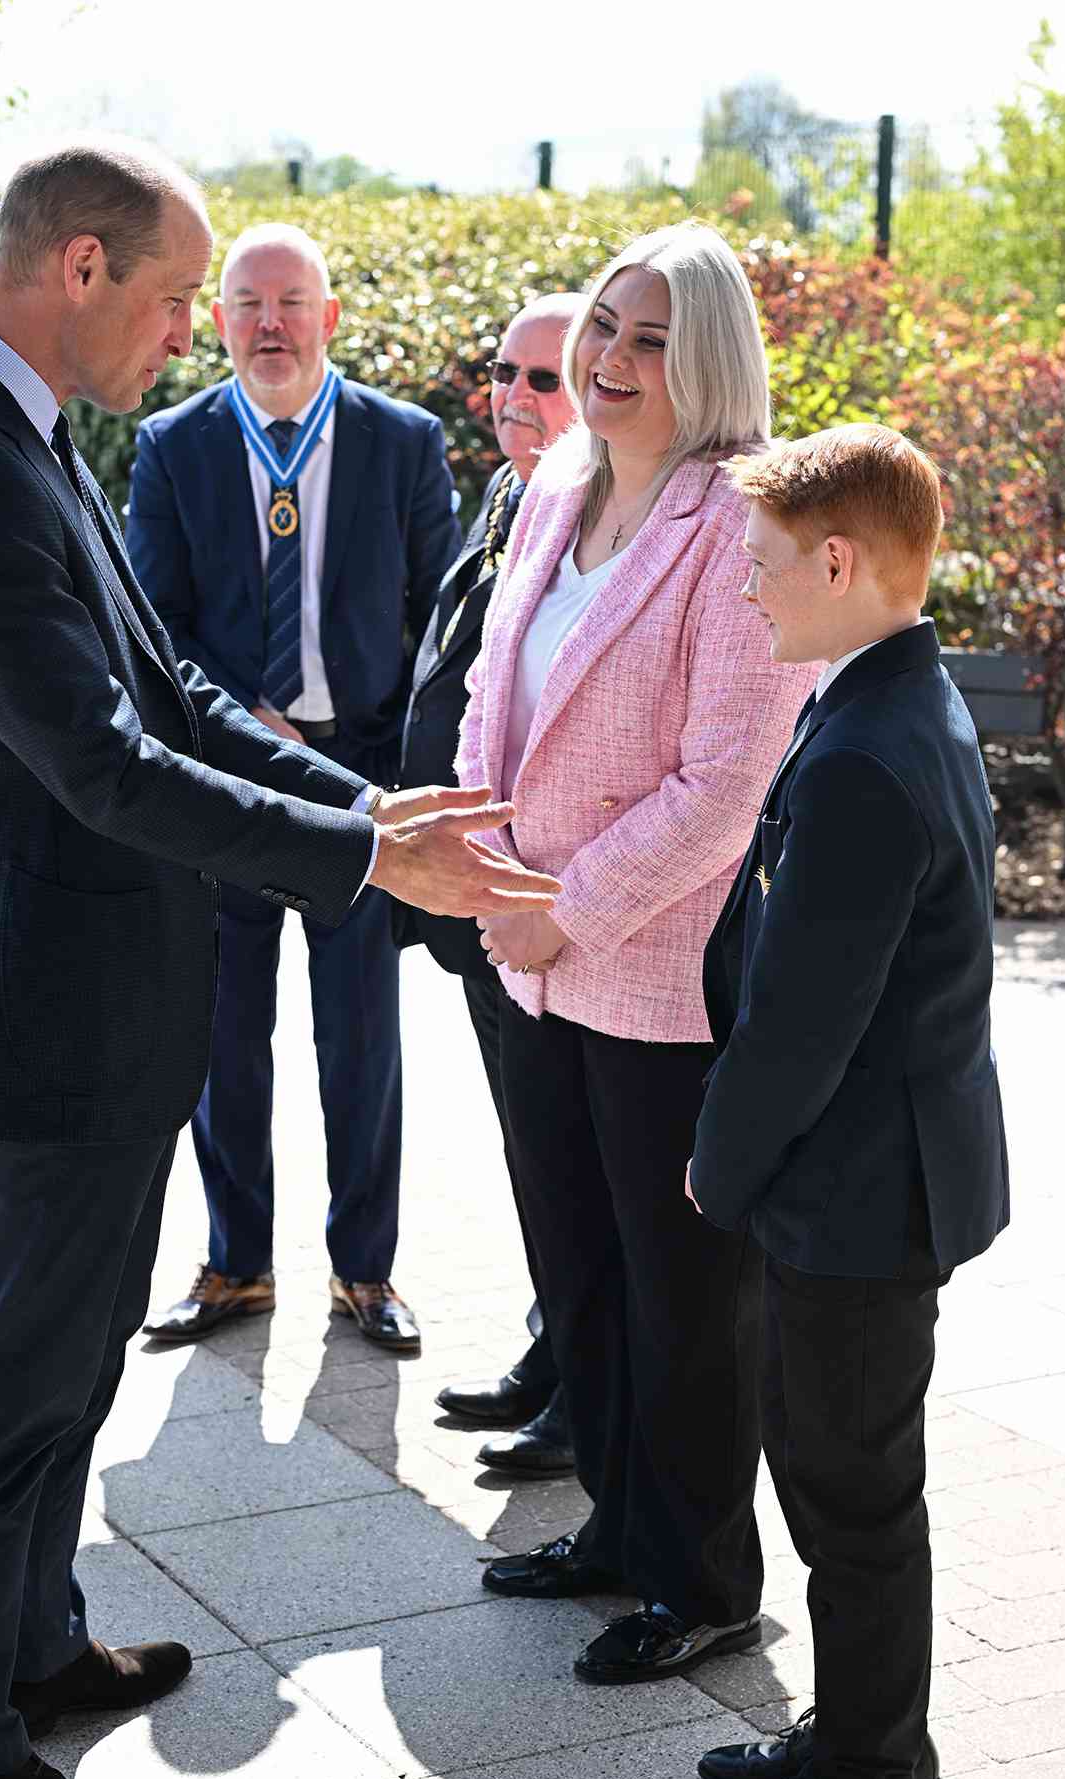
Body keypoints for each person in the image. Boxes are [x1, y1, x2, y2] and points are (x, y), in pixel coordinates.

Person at [0, 140, 560, 1779]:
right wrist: (362, 863)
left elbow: (167, 682)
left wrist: (362, 813)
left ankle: (34, 1645)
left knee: (73, 1351)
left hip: (99, 1000)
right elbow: (98, 764)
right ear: (82, 265)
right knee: (6, 1392)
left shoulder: (16, 436)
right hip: (54, 1012)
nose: (187, 334)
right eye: (177, 295)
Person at [456, 222, 812, 1681]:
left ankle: (705, 1575)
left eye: (651, 339)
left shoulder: (741, 519)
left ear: (711, 360)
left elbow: (724, 785)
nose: (608, 360)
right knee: (581, 1268)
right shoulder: (556, 483)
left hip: (653, 967)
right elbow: (496, 680)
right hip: (526, 947)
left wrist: (568, 902)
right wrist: (483, 862)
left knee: (684, 1295)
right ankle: (615, 1524)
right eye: (605, 326)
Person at [674, 425, 1009, 1779]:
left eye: (760, 566)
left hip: (861, 1188)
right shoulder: (885, 698)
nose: (748, 591)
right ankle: (872, 1742)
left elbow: (806, 1022)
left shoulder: (874, 746)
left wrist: (716, 1164)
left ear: (837, 560)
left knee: (850, 1490)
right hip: (868, 1173)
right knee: (838, 1477)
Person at [128, 224, 460, 1353]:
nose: (271, 324)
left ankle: (366, 1271)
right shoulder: (173, 446)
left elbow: (438, 631)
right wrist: (237, 722)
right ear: (217, 320)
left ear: (329, 316)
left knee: (361, 1040)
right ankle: (236, 1263)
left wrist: (407, 778)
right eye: (247, 304)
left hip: (360, 785)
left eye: (292, 301)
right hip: (229, 788)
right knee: (225, 1033)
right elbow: (152, 628)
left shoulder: (402, 442)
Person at [398, 294, 580, 1474]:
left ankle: (583, 1384)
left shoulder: (592, 515)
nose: (513, 396)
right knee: (530, 1145)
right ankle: (552, 1343)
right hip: (478, 899)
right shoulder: (512, 494)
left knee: (566, 1148)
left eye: (543, 378)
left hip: (547, 908)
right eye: (504, 372)